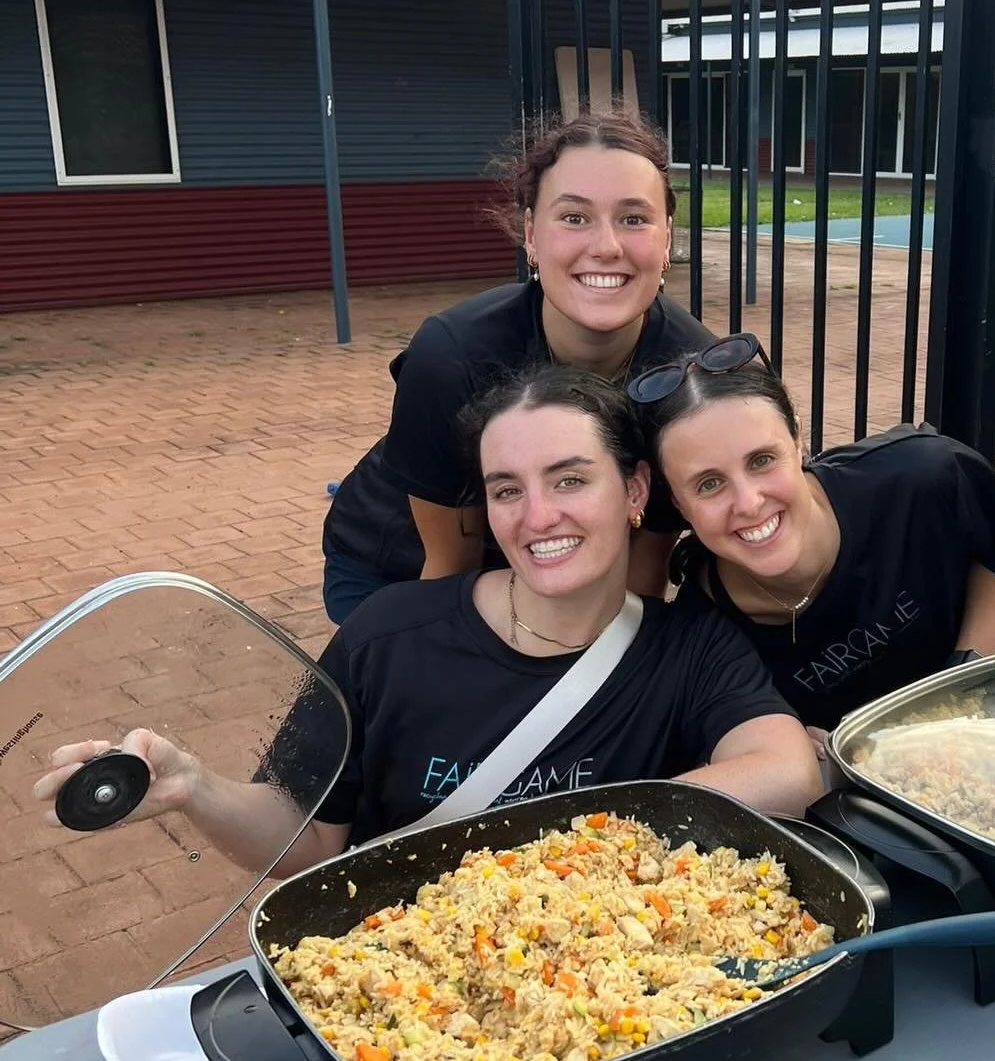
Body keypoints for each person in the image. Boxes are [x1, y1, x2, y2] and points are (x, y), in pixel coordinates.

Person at [38, 369, 821, 872]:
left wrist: (591, 844)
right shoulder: (389, 636)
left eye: (571, 479)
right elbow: (302, 835)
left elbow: (788, 766)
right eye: (507, 489)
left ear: (637, 489)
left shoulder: (687, 646)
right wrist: (195, 787)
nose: (538, 515)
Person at [321, 111, 712, 623]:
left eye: (634, 218)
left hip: (548, 568)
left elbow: (645, 564)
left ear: (666, 239)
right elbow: (447, 571)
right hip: (397, 567)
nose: (606, 247)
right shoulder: (452, 356)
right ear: (531, 234)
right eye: (574, 217)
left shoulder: (689, 374)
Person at [632, 335, 995, 736]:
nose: (749, 503)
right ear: (680, 506)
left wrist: (963, 685)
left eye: (762, 460)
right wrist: (789, 744)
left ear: (797, 444)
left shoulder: (921, 476)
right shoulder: (704, 632)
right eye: (708, 484)